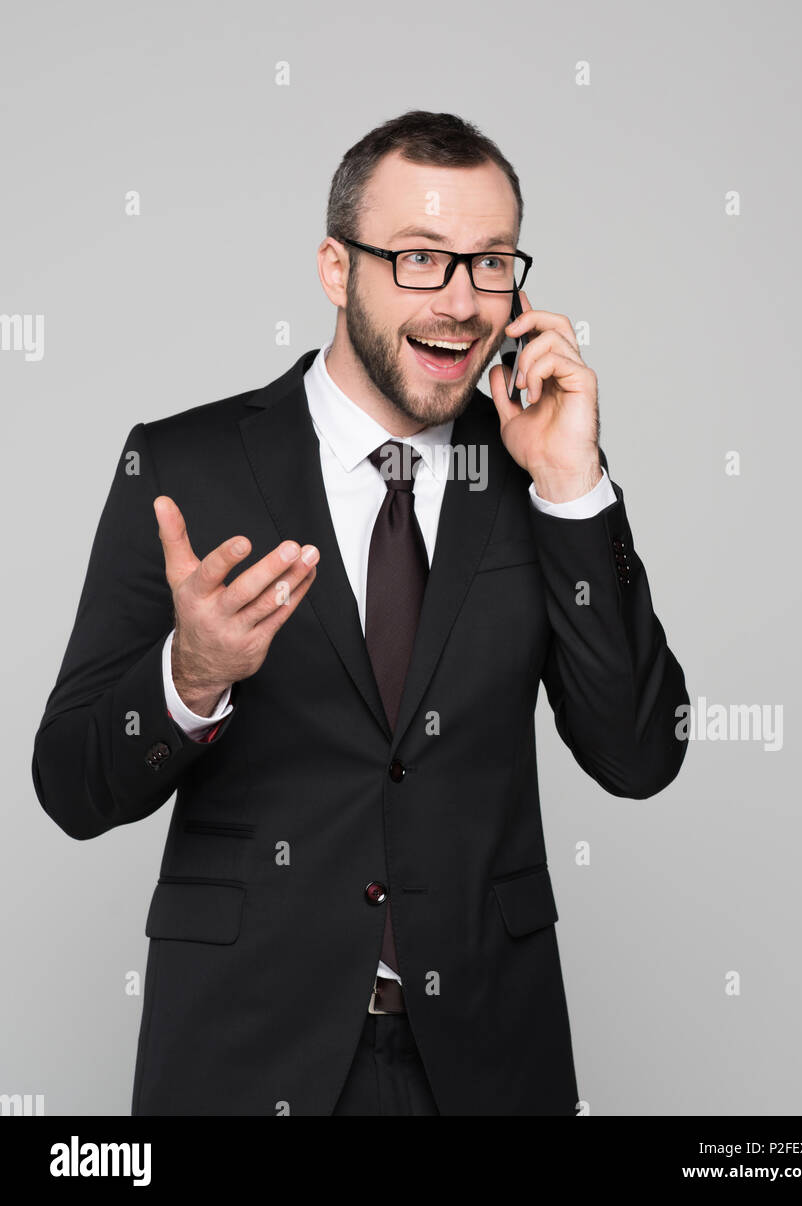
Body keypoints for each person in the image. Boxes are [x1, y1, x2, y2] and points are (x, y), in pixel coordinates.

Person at [32, 109, 689, 1116]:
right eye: (421, 259)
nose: (464, 302)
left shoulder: (537, 468)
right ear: (338, 270)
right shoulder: (185, 467)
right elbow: (72, 782)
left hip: (487, 1059)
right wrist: (191, 676)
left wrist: (573, 485)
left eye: (491, 263)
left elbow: (640, 754)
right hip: (244, 1054)